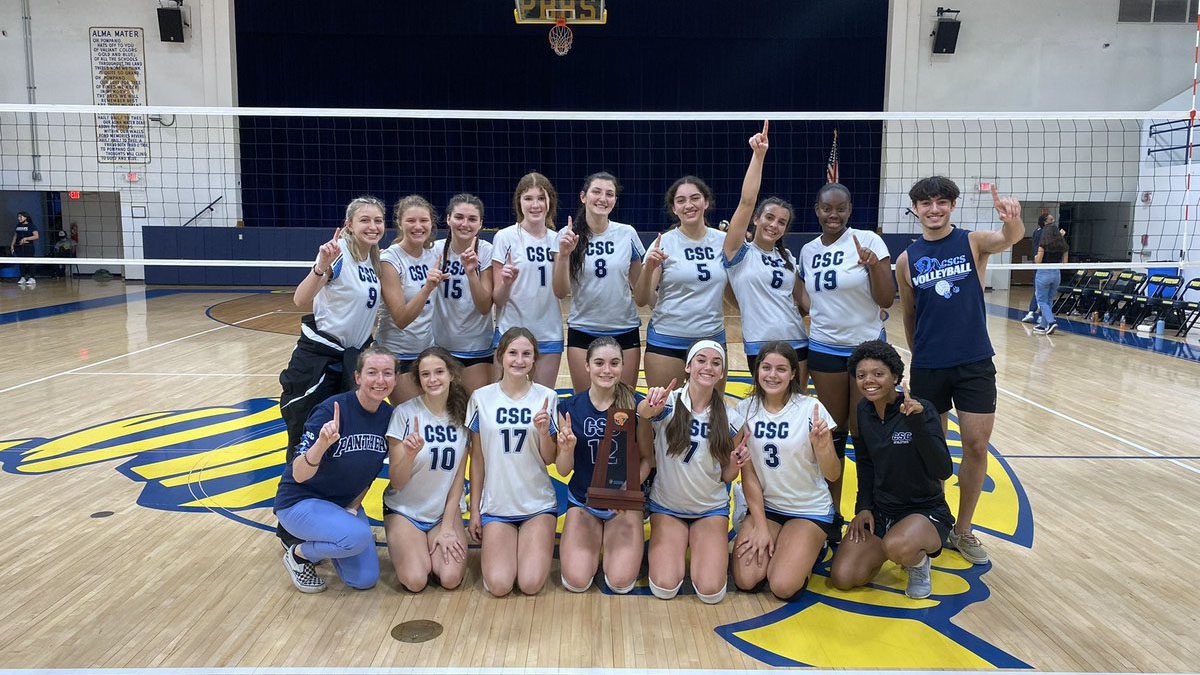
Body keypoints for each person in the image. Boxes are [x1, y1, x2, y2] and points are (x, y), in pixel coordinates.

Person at [895, 178, 1024, 565]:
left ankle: (963, 529)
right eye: (925, 203)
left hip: (974, 362)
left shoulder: (973, 242)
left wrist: (1012, 220)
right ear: (915, 209)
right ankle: (937, 519)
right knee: (933, 449)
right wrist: (921, 355)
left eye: (941, 202)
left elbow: (1010, 238)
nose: (934, 209)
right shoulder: (906, 260)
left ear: (952, 206)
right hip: (929, 364)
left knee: (976, 446)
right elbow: (909, 314)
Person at [798, 181, 895, 539]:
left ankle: (868, 510)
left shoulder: (868, 241)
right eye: (827, 208)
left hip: (865, 350)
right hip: (824, 348)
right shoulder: (808, 250)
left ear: (850, 210)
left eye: (840, 208)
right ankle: (831, 512)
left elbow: (886, 299)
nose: (833, 215)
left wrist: (874, 267)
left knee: (865, 432)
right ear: (817, 210)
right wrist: (814, 311)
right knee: (833, 434)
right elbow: (802, 291)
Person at [829, 340, 954, 600]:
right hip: (882, 511)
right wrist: (863, 507)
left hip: (924, 510)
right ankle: (892, 546)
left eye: (878, 373)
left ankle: (918, 563)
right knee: (844, 577)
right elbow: (865, 464)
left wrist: (918, 424)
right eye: (861, 375)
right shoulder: (863, 410)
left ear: (895, 377)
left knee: (897, 546)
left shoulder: (921, 409)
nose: (869, 381)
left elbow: (943, 469)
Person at [274, 346, 396, 593]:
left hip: (341, 506)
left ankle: (334, 535)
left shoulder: (389, 416)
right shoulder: (331, 410)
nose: (380, 380)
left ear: (395, 379)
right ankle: (299, 554)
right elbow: (298, 474)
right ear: (358, 377)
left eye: (387, 373)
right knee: (358, 536)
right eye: (372, 372)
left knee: (364, 579)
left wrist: (353, 507)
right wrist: (321, 445)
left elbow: (369, 474)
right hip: (299, 502)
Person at [279, 196, 389, 458]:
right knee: (307, 436)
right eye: (365, 220)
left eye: (378, 220)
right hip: (321, 361)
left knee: (343, 438)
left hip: (351, 360)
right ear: (349, 224)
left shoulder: (374, 260)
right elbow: (300, 299)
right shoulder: (339, 253)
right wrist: (321, 266)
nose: (373, 226)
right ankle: (296, 482)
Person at [639, 340, 747, 604]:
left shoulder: (731, 418)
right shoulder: (667, 402)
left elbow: (726, 476)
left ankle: (737, 515)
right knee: (664, 587)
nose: (708, 367)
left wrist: (735, 464)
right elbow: (642, 414)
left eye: (716, 363)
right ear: (688, 366)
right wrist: (648, 407)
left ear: (722, 373)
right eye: (701, 360)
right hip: (667, 507)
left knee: (711, 592)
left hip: (709, 509)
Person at [732, 341, 839, 601]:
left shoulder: (810, 409)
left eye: (781, 369)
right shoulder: (744, 410)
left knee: (782, 585)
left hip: (808, 509)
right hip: (767, 508)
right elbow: (748, 474)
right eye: (766, 367)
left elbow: (833, 474)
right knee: (746, 580)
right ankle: (772, 535)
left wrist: (823, 447)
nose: (772, 375)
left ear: (793, 373)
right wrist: (760, 526)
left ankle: (814, 546)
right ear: (757, 370)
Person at [466, 327, 560, 596]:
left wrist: (544, 433)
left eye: (526, 354)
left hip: (537, 504)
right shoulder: (481, 398)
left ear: (534, 358)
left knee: (530, 584)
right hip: (497, 506)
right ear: (500, 356)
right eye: (513, 353)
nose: (519, 360)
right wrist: (475, 511)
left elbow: (549, 459)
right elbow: (477, 460)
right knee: (499, 585)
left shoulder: (547, 397)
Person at [553, 336, 650, 594]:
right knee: (576, 581)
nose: (607, 370)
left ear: (623, 366)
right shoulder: (568, 408)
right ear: (587, 366)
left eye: (614, 363)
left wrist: (625, 492)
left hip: (623, 505)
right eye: (599, 363)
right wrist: (566, 449)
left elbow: (647, 460)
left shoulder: (637, 405)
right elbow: (563, 470)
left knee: (620, 582)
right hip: (583, 502)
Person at [721, 121, 808, 376]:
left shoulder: (787, 256)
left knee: (796, 401)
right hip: (760, 344)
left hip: (797, 341)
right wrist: (758, 156)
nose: (774, 225)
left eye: (781, 222)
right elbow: (747, 201)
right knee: (765, 400)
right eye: (769, 217)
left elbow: (806, 302)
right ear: (756, 219)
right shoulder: (739, 252)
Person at [383, 347, 470, 592]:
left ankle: (428, 546)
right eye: (425, 374)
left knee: (450, 578)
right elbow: (397, 481)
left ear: (451, 374)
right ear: (419, 379)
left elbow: (458, 479)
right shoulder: (404, 413)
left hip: (442, 512)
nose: (433, 380)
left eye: (439, 372)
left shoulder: (463, 414)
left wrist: (447, 527)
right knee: (415, 580)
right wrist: (409, 455)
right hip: (405, 510)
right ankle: (413, 546)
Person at [552, 172, 645, 391]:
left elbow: (640, 292)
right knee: (586, 403)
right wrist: (564, 255)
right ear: (583, 197)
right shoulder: (567, 235)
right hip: (583, 330)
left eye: (609, 194)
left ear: (615, 200)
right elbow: (560, 291)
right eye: (596, 192)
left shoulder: (627, 233)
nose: (603, 198)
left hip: (624, 329)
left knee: (623, 405)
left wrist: (651, 269)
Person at [634, 177, 729, 390]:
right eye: (681, 200)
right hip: (667, 340)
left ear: (706, 202)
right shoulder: (664, 243)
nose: (688, 205)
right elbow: (640, 299)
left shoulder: (723, 241)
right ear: (674, 208)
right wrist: (648, 268)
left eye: (695, 198)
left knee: (710, 409)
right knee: (663, 408)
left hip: (711, 339)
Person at [491, 173, 563, 388]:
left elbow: (562, 291)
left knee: (542, 401)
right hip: (510, 333)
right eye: (528, 198)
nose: (535, 205)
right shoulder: (505, 237)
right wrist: (506, 283)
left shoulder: (558, 240)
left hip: (548, 333)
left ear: (550, 201)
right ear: (519, 202)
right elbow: (498, 299)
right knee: (503, 400)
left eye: (541, 198)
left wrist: (565, 255)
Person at [377, 195, 446, 403]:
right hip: (398, 354)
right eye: (411, 221)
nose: (418, 226)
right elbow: (401, 319)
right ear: (399, 223)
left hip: (427, 354)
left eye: (424, 220)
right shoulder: (390, 260)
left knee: (435, 413)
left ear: (432, 223)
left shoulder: (435, 253)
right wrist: (427, 288)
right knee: (412, 415)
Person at [432, 194, 496, 394]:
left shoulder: (486, 251)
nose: (465, 224)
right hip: (440, 348)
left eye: (472, 219)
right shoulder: (434, 250)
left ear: (480, 224)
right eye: (459, 217)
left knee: (473, 409)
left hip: (477, 348)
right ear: (448, 218)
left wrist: (471, 273)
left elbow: (484, 306)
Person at [1032, 220, 1069, 335]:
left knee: (1041, 300)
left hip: (1043, 273)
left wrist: (1035, 257)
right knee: (1049, 300)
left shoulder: (1043, 245)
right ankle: (1043, 325)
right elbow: (1065, 263)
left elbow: (1038, 261)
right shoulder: (1063, 246)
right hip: (1056, 274)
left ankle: (1051, 322)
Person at [1021, 213, 1055, 323]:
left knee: (1039, 290)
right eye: (1051, 219)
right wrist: (1060, 237)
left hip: (1039, 264)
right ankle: (1041, 316)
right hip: (1043, 265)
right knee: (1043, 292)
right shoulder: (1046, 233)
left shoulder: (1037, 231)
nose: (1053, 221)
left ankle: (1032, 313)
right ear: (1045, 222)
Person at [11, 211, 39, 287]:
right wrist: (12, 245)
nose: (19, 218)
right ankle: (22, 277)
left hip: (28, 247)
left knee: (30, 262)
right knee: (21, 262)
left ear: (25, 217)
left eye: (21, 217)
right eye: (18, 217)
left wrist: (26, 238)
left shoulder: (31, 226)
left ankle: (32, 278)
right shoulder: (18, 226)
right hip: (19, 247)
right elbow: (15, 236)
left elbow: (36, 236)